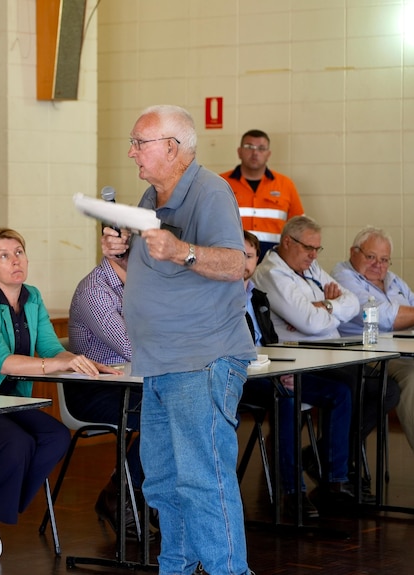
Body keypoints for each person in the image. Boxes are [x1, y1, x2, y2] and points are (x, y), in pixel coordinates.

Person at [101, 105, 256, 575]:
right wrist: (124, 254)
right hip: (161, 363)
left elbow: (235, 265)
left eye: (138, 143)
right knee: (165, 484)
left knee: (203, 481)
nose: (131, 153)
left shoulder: (210, 192)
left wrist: (183, 249)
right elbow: (159, 278)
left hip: (202, 359)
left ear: (172, 148)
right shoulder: (150, 200)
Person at [0, 228, 116, 560]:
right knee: (16, 442)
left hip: (2, 404)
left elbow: (52, 350)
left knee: (55, 436)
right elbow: (4, 362)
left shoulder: (33, 297)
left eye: (19, 252)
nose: (15, 260)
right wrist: (52, 366)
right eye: (4, 255)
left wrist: (84, 363)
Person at [251, 216, 400, 503]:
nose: (314, 256)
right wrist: (320, 310)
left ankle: (325, 460)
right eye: (309, 248)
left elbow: (353, 302)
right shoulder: (273, 273)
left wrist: (324, 306)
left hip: (327, 354)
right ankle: (335, 473)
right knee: (349, 387)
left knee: (384, 388)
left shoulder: (311, 267)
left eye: (318, 249)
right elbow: (310, 322)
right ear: (287, 242)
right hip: (296, 361)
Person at [240, 230, 352, 519]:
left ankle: (334, 481)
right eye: (238, 255)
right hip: (238, 378)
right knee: (287, 399)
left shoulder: (257, 298)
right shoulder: (217, 297)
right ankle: (293, 493)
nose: (244, 263)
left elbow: (270, 342)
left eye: (250, 256)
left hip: (270, 372)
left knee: (339, 392)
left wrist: (282, 371)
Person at [67, 254, 146, 539]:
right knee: (164, 416)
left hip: (134, 384)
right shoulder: (95, 290)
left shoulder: (143, 282)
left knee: (184, 409)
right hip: (93, 389)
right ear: (114, 247)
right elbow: (131, 348)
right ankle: (119, 494)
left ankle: (143, 495)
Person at [332, 226, 414, 452]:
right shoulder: (343, 276)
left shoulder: (394, 281)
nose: (378, 265)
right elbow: (384, 317)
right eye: (371, 257)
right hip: (364, 353)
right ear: (353, 252)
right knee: (412, 376)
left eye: (385, 259)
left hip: (399, 350)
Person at [220, 129, 304, 258]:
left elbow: (300, 228)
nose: (255, 153)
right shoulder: (221, 183)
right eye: (249, 147)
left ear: (268, 154)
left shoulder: (286, 185)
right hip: (231, 256)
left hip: (274, 260)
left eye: (261, 148)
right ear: (239, 152)